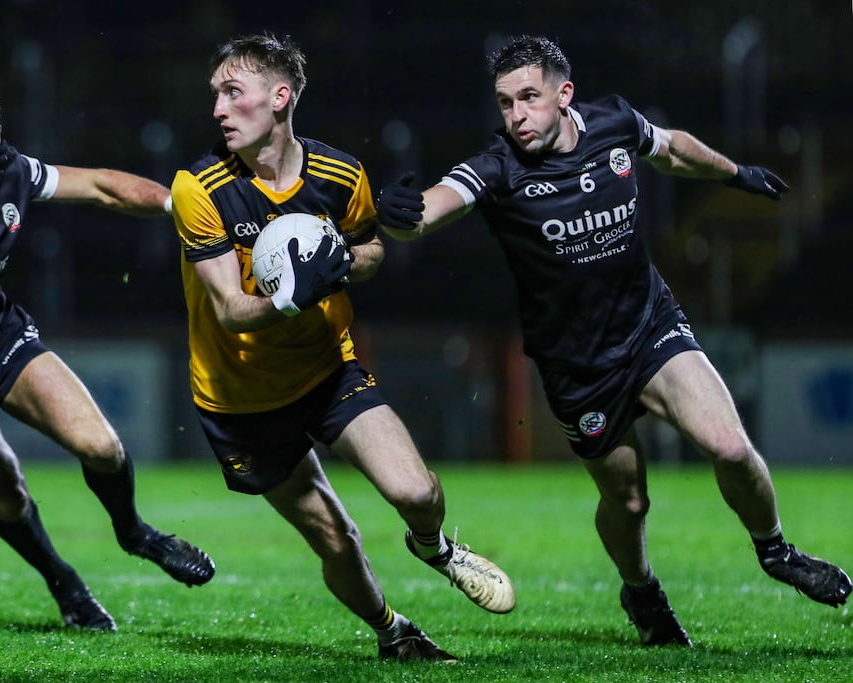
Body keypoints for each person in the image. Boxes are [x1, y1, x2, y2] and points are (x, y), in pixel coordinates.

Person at [375, 34, 851, 647]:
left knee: (731, 449)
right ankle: (642, 589)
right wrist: (400, 214)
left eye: (529, 97)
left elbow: (673, 151)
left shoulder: (614, 122)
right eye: (505, 103)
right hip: (578, 367)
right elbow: (436, 207)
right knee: (628, 503)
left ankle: (776, 550)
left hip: (651, 328)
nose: (517, 116)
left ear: (563, 94)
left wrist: (735, 173)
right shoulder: (496, 167)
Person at [169, 33, 515, 662]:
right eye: (214, 94)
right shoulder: (199, 186)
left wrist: (345, 263)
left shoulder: (340, 174)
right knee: (335, 536)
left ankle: (434, 547)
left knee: (416, 493)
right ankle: (394, 633)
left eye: (232, 92)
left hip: (327, 368)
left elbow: (372, 251)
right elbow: (227, 310)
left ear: (280, 97)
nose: (217, 108)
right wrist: (291, 296)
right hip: (240, 401)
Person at [0, 78, 215, 632]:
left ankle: (135, 533)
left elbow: (103, 186)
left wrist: (183, 205)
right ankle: (65, 584)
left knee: (101, 446)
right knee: (8, 496)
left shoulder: (9, 170)